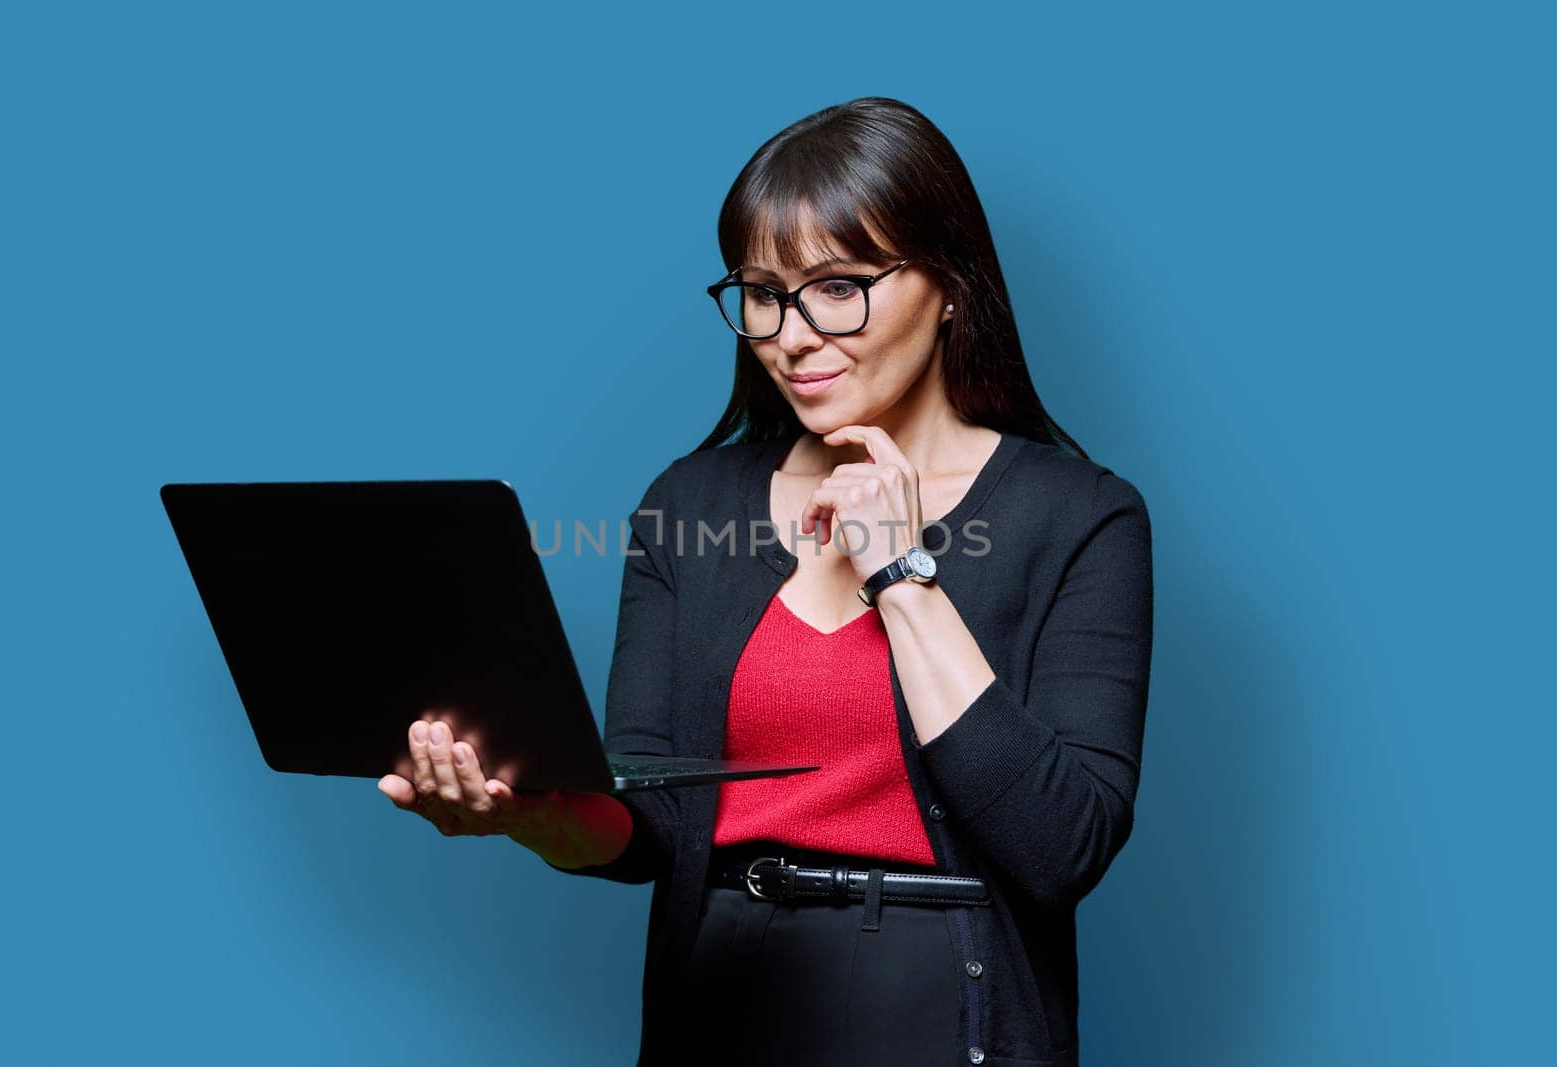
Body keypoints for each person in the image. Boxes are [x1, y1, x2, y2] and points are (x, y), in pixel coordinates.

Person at [376, 96, 1154, 1066]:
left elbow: (1060, 845)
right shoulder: (689, 500)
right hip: (721, 1003)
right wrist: (538, 817)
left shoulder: (1079, 516)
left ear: (951, 284)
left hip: (947, 1014)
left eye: (839, 285)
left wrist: (902, 570)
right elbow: (651, 819)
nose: (790, 333)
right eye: (760, 292)